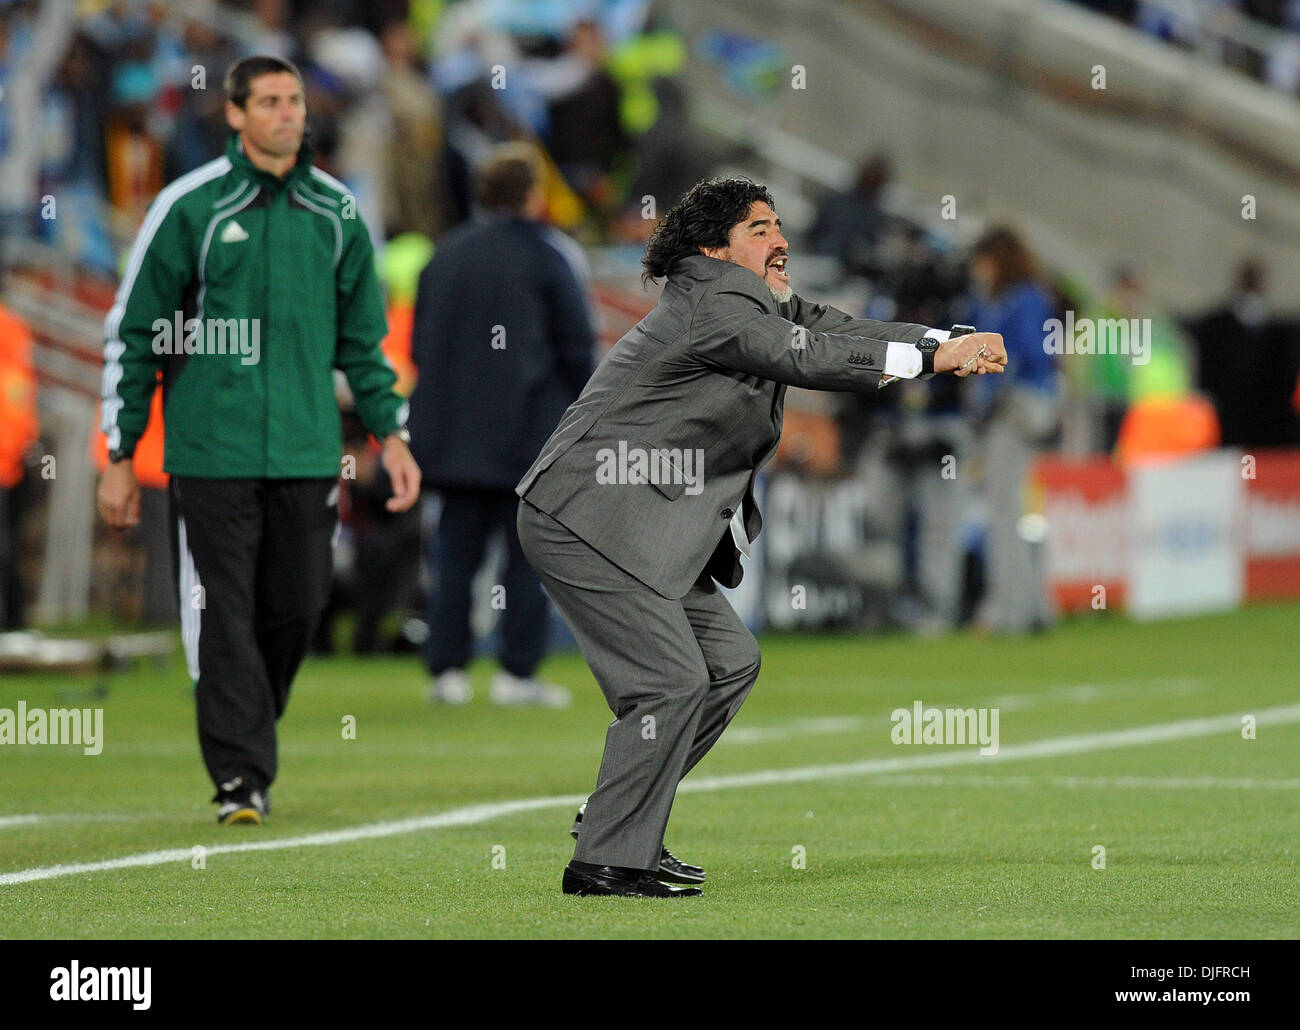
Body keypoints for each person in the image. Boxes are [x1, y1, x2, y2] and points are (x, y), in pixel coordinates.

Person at [515, 177, 1006, 897]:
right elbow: (809, 359)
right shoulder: (715, 303)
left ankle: (618, 819)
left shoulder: (749, 300)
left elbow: (836, 330)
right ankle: (606, 861)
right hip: (588, 516)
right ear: (715, 248)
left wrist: (947, 340)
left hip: (641, 522)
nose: (780, 240)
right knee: (671, 681)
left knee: (728, 662)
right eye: (759, 228)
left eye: (779, 224)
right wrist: (931, 361)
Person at [96, 55, 420, 825]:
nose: (287, 113)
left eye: (295, 100)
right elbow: (133, 334)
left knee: (298, 607)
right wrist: (119, 454)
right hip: (210, 452)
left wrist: (393, 436)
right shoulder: (188, 207)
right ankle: (241, 776)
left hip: (308, 452)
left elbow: (364, 344)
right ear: (235, 114)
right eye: (270, 101)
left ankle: (245, 725)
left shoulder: (338, 212)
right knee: (223, 613)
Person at [410, 144, 595, 707]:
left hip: (455, 435)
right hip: (526, 435)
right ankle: (517, 672)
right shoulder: (547, 257)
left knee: (455, 556)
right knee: (529, 556)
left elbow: (423, 346)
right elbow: (576, 349)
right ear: (533, 193)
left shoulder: (444, 256)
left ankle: (448, 671)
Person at [965, 226, 1060, 636]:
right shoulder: (1035, 296)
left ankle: (1011, 611)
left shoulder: (1012, 301)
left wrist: (985, 401)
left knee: (1005, 513)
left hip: (1012, 414)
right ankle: (1037, 606)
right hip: (1036, 409)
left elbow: (1016, 357)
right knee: (1024, 514)